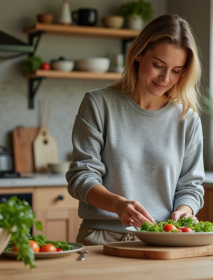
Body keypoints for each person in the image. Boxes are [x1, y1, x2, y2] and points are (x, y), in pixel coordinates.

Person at [66, 14, 205, 246]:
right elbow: (81, 177)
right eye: (158, 65)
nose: (165, 78)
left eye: (176, 70)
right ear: (138, 54)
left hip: (162, 240)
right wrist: (118, 205)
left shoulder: (187, 118)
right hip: (102, 238)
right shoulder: (99, 104)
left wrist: (185, 210)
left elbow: (191, 186)